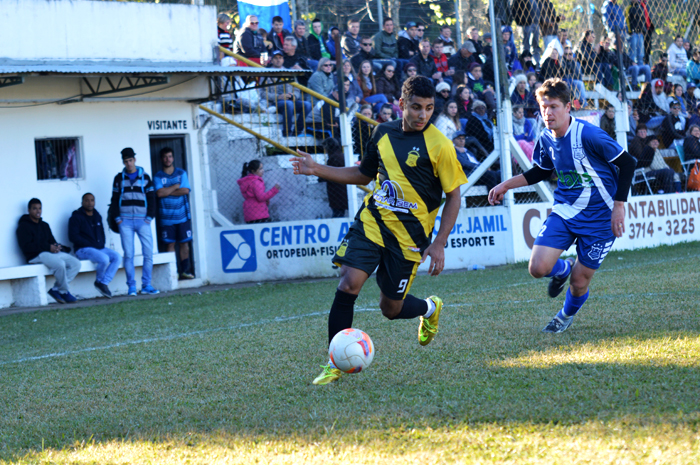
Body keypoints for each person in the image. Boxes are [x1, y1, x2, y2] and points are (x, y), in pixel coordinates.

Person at [291, 76, 467, 385]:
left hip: (410, 238)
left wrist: (439, 242)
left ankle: (429, 308)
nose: (422, 115)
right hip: (372, 222)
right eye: (415, 107)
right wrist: (316, 168)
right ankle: (335, 362)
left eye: (428, 108)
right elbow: (363, 174)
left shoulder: (440, 145)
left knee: (390, 308)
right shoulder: (383, 132)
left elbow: (454, 196)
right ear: (401, 105)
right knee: (348, 285)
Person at [488, 78, 636, 333]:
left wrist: (619, 207)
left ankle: (564, 316)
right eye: (543, 107)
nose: (547, 112)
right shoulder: (545, 138)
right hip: (565, 211)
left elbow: (628, 163)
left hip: (601, 219)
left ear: (568, 107)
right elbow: (541, 171)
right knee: (537, 268)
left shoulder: (589, 134)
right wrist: (505, 185)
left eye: (554, 106)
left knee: (579, 282)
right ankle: (562, 268)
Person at [108, 148, 160, 296]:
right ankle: (131, 287)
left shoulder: (145, 177)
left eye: (130, 160)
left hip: (143, 221)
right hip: (125, 222)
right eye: (126, 161)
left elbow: (152, 199)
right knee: (129, 254)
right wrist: (117, 218)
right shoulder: (118, 178)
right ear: (123, 162)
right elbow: (114, 199)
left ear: (135, 160)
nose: (129, 164)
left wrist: (149, 217)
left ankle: (146, 285)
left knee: (148, 253)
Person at [17, 198, 80, 304]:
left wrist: (57, 247)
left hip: (48, 253)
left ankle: (56, 289)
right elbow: (26, 247)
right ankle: (64, 291)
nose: (38, 211)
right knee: (60, 264)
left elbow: (52, 241)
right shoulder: (23, 226)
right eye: (34, 209)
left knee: (75, 263)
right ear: (29, 210)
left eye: (40, 208)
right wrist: (48, 247)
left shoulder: (44, 225)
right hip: (35, 256)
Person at [69, 193, 121, 298]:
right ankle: (99, 281)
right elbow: (73, 237)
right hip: (83, 250)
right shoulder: (76, 217)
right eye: (87, 200)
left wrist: (100, 244)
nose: (90, 203)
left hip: (98, 248)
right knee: (104, 259)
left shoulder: (97, 216)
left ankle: (104, 283)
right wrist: (90, 244)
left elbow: (102, 233)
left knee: (117, 257)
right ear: (82, 202)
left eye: (92, 200)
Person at [154, 147, 194, 280]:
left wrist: (168, 191)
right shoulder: (158, 176)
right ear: (161, 159)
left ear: (173, 158)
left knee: (184, 244)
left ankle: (185, 271)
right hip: (166, 219)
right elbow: (159, 193)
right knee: (170, 244)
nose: (168, 159)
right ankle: (173, 273)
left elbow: (186, 191)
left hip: (182, 217)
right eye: (165, 157)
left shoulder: (181, 173)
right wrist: (176, 186)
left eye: (170, 156)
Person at [263, 50, 312, 136]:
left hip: (290, 101)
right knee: (288, 104)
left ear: (283, 60)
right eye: (276, 58)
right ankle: (287, 133)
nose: (278, 60)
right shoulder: (265, 73)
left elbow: (297, 90)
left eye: (280, 58)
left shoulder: (289, 73)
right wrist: (278, 97)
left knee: (307, 105)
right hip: (274, 103)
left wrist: (294, 96)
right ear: (272, 60)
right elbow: (262, 93)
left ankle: (297, 132)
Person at [321, 137, 348, 218]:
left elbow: (328, 174)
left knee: (337, 214)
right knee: (339, 213)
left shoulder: (333, 158)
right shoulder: (340, 155)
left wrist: (320, 175)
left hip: (337, 191)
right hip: (341, 189)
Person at [625, 0, 647, 66]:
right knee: (632, 53)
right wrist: (630, 32)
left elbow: (643, 19)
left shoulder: (641, 7)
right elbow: (627, 21)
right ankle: (632, 67)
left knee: (641, 54)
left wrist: (643, 30)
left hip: (640, 33)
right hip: (633, 33)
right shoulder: (629, 8)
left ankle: (640, 68)